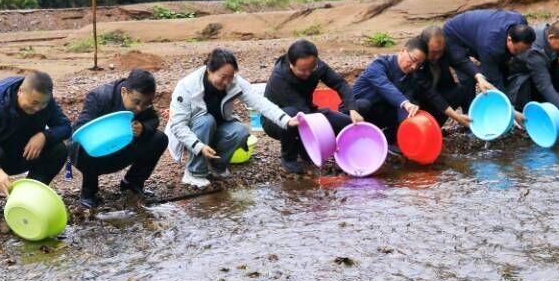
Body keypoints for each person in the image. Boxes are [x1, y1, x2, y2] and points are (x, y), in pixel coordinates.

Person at [167, 48, 299, 188]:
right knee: (206, 121)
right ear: (209, 70)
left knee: (240, 131)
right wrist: (198, 147)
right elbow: (178, 126)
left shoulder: (234, 82)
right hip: (193, 134)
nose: (226, 82)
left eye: (230, 77)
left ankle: (216, 166)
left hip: (217, 128)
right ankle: (194, 173)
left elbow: (260, 103)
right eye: (222, 77)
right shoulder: (187, 86)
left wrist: (286, 120)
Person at [0, 71, 71, 217]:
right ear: (20, 91)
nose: (38, 108)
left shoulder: (44, 100)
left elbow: (66, 127)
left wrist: (44, 136)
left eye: (43, 104)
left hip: (24, 152)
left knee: (59, 149)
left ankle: (30, 196)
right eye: (34, 103)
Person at [262, 39, 363, 174]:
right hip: (276, 120)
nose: (308, 73)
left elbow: (340, 84)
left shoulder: (316, 66)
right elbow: (303, 114)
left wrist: (352, 109)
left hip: (306, 111)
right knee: (292, 113)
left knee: (348, 124)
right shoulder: (279, 78)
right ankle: (289, 158)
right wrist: (323, 141)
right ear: (291, 65)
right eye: (303, 71)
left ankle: (351, 155)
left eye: (312, 68)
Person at [70, 69, 166, 207]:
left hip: (121, 150)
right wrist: (103, 130)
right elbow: (78, 130)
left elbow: (153, 120)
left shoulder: (143, 104)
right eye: (136, 102)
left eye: (145, 104)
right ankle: (89, 192)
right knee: (84, 144)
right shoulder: (99, 97)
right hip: (95, 154)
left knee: (160, 138)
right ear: (124, 92)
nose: (140, 108)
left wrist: (143, 128)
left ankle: (132, 184)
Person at [350, 36, 427, 143]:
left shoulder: (411, 78)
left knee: (403, 117)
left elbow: (406, 104)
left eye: (419, 64)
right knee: (363, 104)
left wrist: (410, 121)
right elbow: (384, 85)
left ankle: (382, 141)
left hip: (377, 113)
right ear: (402, 51)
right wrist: (405, 103)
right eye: (413, 60)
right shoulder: (379, 64)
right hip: (353, 111)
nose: (414, 66)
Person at [505, 20, 559, 130]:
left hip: (534, 69)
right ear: (551, 37)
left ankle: (547, 102)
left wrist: (556, 59)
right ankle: (521, 113)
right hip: (517, 82)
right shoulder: (536, 54)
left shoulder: (546, 29)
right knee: (540, 84)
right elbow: (544, 85)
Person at [403, 26, 472, 129]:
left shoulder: (442, 49)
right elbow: (431, 94)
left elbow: (460, 62)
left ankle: (469, 121)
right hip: (417, 104)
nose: (438, 56)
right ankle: (428, 127)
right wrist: (455, 116)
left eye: (440, 52)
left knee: (464, 87)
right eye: (434, 52)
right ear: (424, 46)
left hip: (438, 95)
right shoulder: (416, 61)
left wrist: (479, 76)